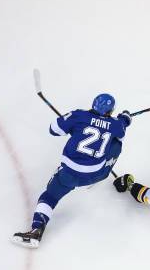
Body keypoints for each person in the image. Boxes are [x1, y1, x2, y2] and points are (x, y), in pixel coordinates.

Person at [12, 94, 131, 248]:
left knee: (49, 197)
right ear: (111, 110)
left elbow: (53, 129)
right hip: (98, 174)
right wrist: (125, 118)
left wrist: (72, 125)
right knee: (117, 142)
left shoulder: (78, 115)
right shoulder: (115, 124)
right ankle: (108, 166)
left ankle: (36, 230)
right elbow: (122, 127)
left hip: (69, 175)